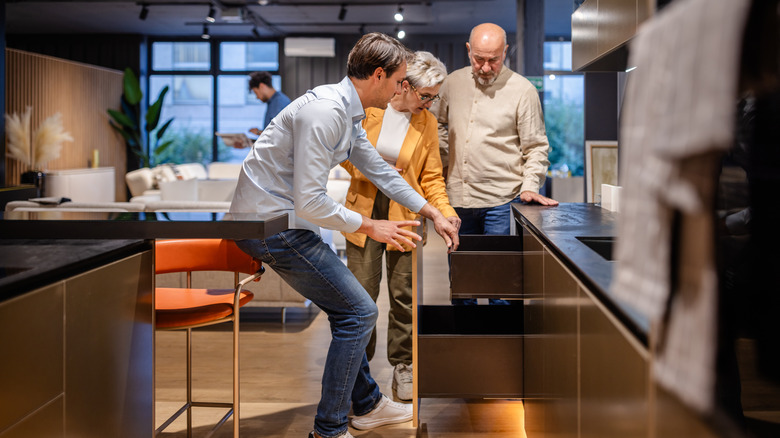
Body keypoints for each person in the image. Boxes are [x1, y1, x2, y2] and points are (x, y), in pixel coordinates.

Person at [229, 33, 460, 438]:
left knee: (350, 310)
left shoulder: (347, 112)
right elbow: (310, 202)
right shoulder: (326, 113)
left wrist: (431, 211)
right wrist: (371, 225)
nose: (401, 88)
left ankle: (367, 404)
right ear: (378, 75)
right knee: (360, 312)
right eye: (399, 80)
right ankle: (329, 429)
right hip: (270, 228)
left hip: (284, 225)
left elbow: (381, 171)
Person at [340, 51, 460, 402]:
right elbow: (344, 155)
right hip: (364, 212)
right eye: (426, 95)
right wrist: (373, 170)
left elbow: (432, 178)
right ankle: (358, 373)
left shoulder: (426, 124)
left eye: (434, 96)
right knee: (360, 297)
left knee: (404, 297)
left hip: (405, 215)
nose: (429, 102)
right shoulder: (369, 110)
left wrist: (445, 211)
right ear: (404, 85)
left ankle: (403, 366)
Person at [429, 22, 558, 305]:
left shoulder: (523, 90)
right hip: (458, 201)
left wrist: (530, 184)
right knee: (463, 284)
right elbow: (434, 126)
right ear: (468, 51)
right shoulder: (451, 83)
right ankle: (467, 344)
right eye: (479, 59)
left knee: (501, 286)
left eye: (494, 60)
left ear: (505, 52)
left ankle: (502, 347)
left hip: (502, 201)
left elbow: (536, 146)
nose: (486, 67)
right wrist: (443, 163)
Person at [248, 71, 292, 136]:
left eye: (256, 92)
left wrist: (258, 132)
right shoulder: (273, 102)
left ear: (261, 86)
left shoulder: (278, 103)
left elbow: (277, 134)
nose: (257, 97)